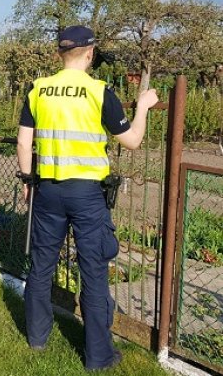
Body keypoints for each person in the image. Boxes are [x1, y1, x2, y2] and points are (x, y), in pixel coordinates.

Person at [16, 25, 158, 371]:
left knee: (41, 265)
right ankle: (99, 356)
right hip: (87, 195)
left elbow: (24, 142)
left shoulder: (38, 89)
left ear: (58, 54)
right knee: (93, 272)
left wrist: (26, 181)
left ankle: (36, 338)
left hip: (48, 190)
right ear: (90, 53)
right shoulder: (99, 91)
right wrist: (142, 107)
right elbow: (132, 141)